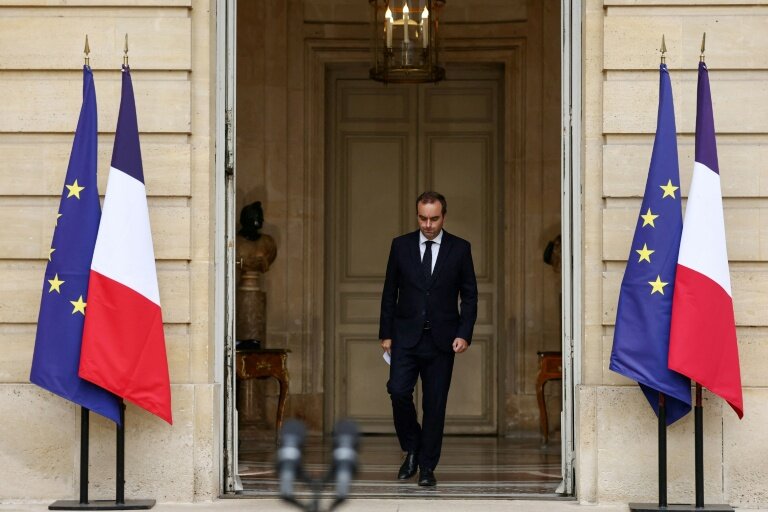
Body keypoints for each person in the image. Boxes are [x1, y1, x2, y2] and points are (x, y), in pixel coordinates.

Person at [379, 191, 478, 487]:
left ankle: (427, 467)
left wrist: (464, 333)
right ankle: (412, 446)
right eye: (423, 218)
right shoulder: (401, 246)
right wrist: (385, 333)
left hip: (442, 340)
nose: (428, 224)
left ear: (443, 217)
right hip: (405, 337)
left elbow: (470, 296)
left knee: (435, 406)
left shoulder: (460, 249)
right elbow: (389, 292)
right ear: (417, 215)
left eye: (434, 219)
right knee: (397, 391)